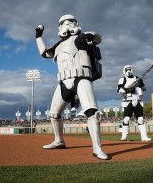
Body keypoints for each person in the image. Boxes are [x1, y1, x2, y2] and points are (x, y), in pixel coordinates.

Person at [34, 14, 108, 160]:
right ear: (59, 27)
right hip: (63, 82)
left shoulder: (81, 38)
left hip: (81, 78)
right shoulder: (58, 45)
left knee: (92, 113)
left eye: (70, 22)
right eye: (63, 23)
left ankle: (97, 147)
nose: (66, 24)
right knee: (54, 114)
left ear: (75, 23)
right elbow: (44, 53)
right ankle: (59, 140)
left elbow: (96, 39)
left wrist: (90, 36)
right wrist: (38, 37)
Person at [117, 65, 151, 141]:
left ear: (132, 70)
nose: (128, 71)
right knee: (126, 119)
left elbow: (144, 88)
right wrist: (129, 89)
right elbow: (119, 90)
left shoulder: (138, 78)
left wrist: (140, 84)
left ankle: (144, 136)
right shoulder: (122, 79)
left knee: (140, 119)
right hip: (128, 101)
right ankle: (124, 136)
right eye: (126, 69)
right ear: (124, 71)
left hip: (138, 100)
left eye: (129, 69)